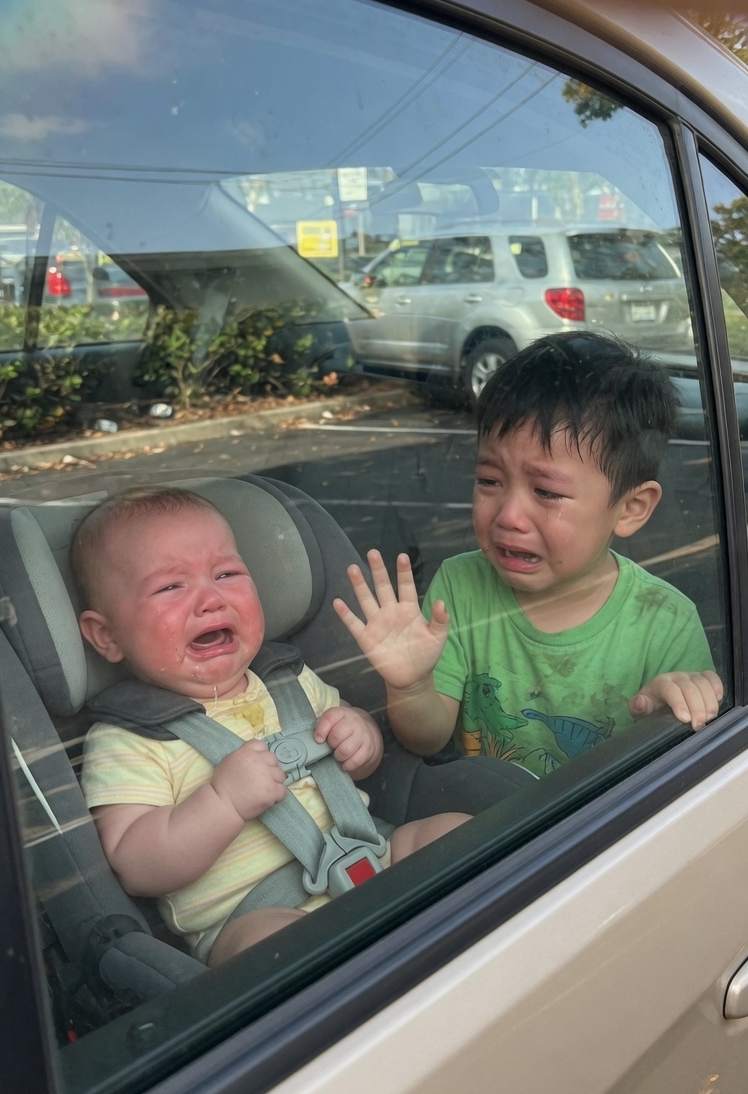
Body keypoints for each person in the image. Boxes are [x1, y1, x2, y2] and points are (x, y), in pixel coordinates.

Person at [74, 486, 468, 966]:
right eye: (170, 587)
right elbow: (136, 862)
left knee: (458, 832)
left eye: (227, 573)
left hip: (372, 852)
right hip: (257, 915)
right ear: (107, 635)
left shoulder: (288, 680)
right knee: (274, 953)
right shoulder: (128, 739)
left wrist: (359, 735)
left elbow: (353, 767)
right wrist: (224, 801)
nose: (211, 599)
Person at [334, 332, 724, 778]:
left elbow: (685, 770)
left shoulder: (666, 622)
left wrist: (663, 711)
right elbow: (427, 737)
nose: (509, 515)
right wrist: (410, 684)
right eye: (489, 480)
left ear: (630, 509)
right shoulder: (460, 587)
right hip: (495, 826)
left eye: (546, 491)